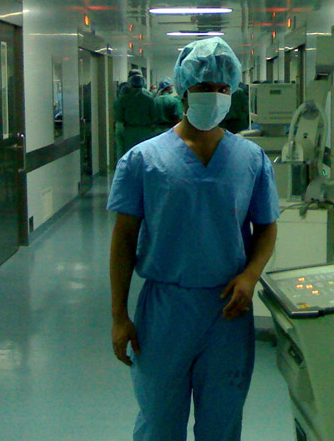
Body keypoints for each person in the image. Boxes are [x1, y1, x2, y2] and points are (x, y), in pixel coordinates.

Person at [108, 37, 280, 441]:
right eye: (204, 87)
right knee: (159, 424)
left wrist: (251, 275)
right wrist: (118, 316)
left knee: (221, 425)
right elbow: (124, 239)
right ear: (184, 90)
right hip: (165, 310)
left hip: (228, 311)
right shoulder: (143, 159)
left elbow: (266, 226)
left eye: (222, 87)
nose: (214, 95)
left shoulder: (250, 159)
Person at [114, 72, 157, 156]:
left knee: (130, 155)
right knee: (144, 155)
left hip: (129, 132)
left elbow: (119, 117)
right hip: (145, 131)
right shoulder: (149, 99)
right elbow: (154, 117)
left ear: (130, 85)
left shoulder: (123, 99)